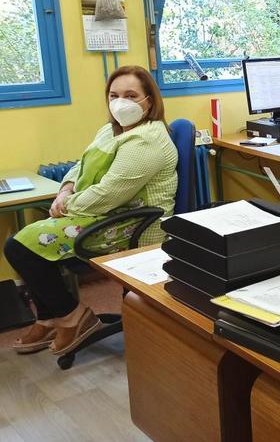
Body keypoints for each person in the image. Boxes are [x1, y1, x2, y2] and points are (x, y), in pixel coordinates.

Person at [4, 65, 178, 356]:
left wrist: (65, 206)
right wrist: (66, 188)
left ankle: (73, 317)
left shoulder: (147, 141)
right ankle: (50, 318)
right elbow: (80, 165)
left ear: (149, 100)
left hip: (131, 224)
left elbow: (109, 193)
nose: (121, 102)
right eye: (114, 95)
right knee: (25, 244)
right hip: (102, 212)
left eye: (131, 95)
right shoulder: (110, 130)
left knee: (20, 248)